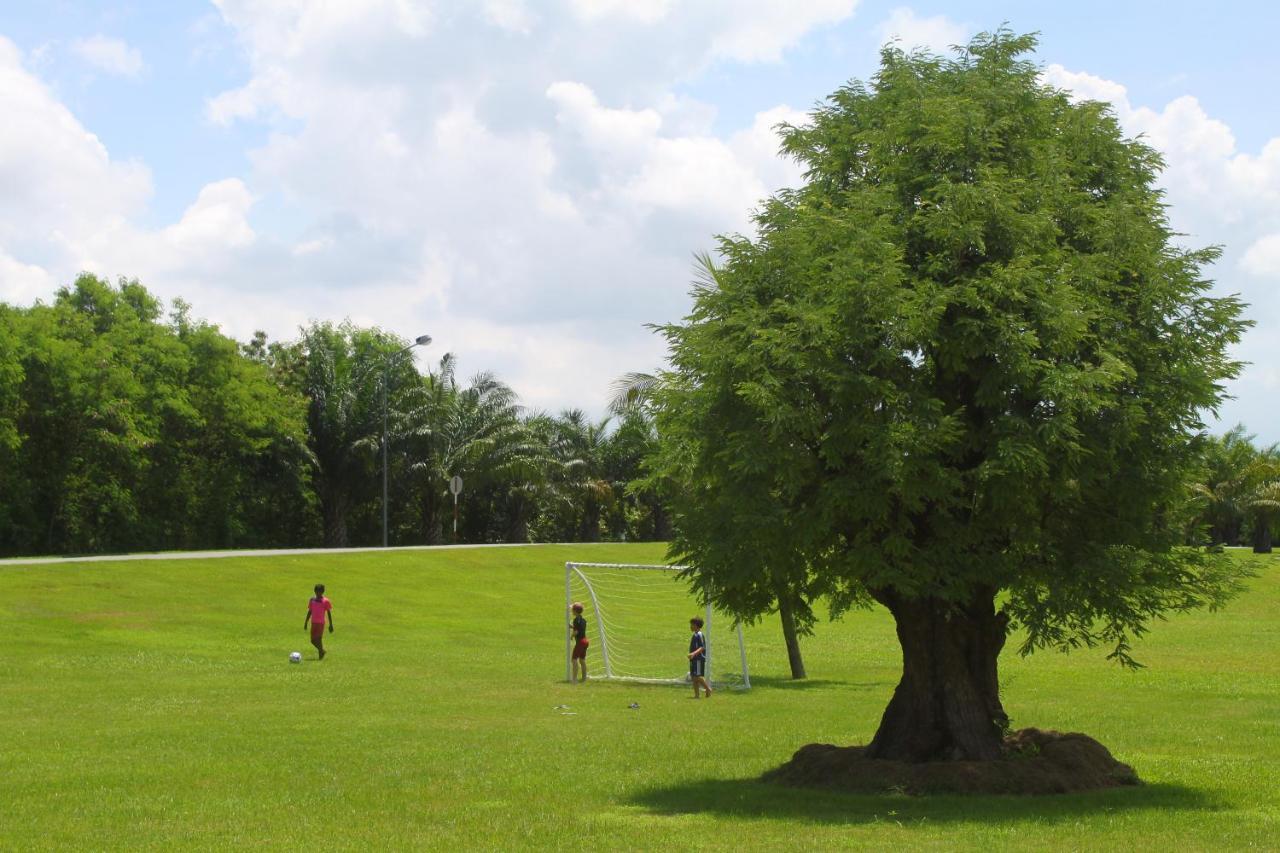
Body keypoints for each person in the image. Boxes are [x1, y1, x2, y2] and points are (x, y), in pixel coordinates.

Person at [304, 583, 334, 659]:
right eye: (317, 591)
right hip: (313, 622)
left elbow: (329, 613)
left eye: (320, 591)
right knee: (313, 640)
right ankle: (322, 650)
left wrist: (331, 625)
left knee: (318, 638)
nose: (318, 593)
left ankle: (320, 655)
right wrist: (306, 622)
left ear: (322, 592)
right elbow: (310, 611)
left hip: (320, 623)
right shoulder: (312, 600)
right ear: (314, 591)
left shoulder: (325, 601)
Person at [688, 617, 712, 698]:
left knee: (698, 676)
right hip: (694, 659)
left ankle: (708, 689)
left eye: (692, 625)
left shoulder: (700, 634)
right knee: (694, 677)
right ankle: (696, 695)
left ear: (696, 625)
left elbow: (702, 647)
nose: (690, 626)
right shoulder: (695, 634)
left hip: (698, 659)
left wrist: (693, 654)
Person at [569, 602, 589, 682]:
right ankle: (584, 678)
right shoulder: (583, 620)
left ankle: (574, 679)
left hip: (580, 642)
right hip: (585, 641)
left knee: (574, 660)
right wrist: (572, 627)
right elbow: (580, 628)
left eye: (572, 610)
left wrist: (572, 636)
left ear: (575, 611)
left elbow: (576, 631)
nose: (571, 611)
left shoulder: (575, 620)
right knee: (582, 660)